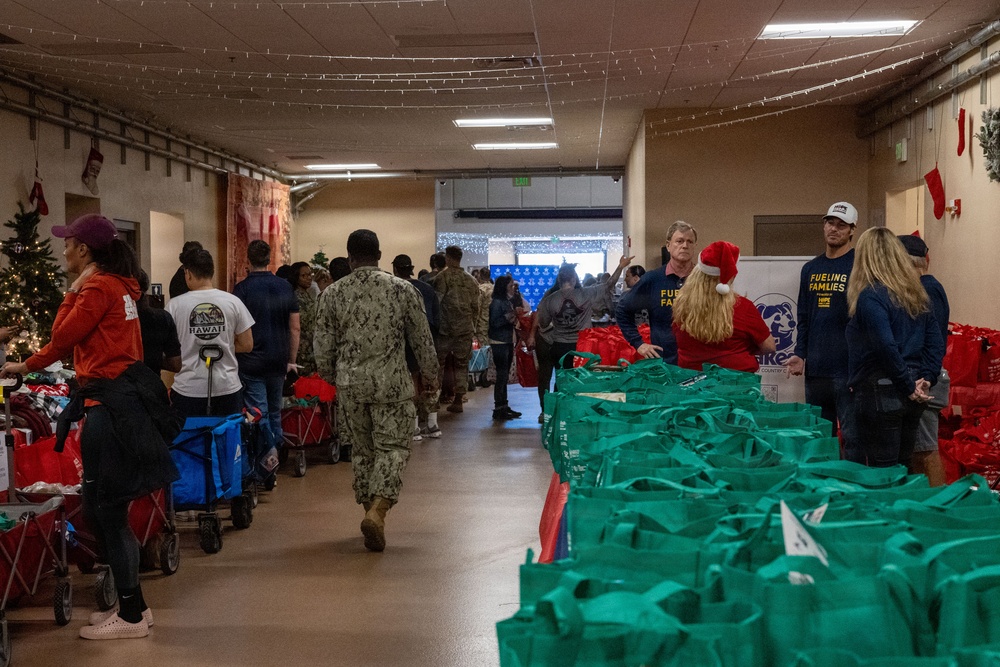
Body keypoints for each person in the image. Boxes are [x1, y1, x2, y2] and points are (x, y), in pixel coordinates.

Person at [1, 214, 178, 640]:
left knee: (106, 511)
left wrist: (26, 363)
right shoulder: (121, 286)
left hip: (110, 409)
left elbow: (62, 335)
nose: (63, 249)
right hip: (118, 404)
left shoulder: (98, 287)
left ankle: (131, 617)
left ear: (84, 249)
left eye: (68, 243)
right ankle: (135, 607)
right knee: (103, 509)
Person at [314, 230, 439, 552]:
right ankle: (378, 511)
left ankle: (370, 512)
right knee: (393, 448)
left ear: (350, 258)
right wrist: (431, 377)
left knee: (362, 451)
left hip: (350, 386)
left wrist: (333, 376)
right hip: (391, 384)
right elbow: (422, 340)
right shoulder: (403, 289)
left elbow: (322, 346)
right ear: (380, 255)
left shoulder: (332, 293)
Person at [845, 227, 945, 469]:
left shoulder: (871, 296)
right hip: (914, 389)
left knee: (883, 472)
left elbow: (885, 345)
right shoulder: (916, 293)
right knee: (903, 467)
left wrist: (907, 385)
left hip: (883, 389)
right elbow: (935, 341)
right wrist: (926, 378)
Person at [784, 202, 857, 443]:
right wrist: (800, 354)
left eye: (841, 225)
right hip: (816, 369)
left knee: (853, 438)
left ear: (852, 230)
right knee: (820, 437)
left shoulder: (859, 265)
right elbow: (803, 316)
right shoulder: (810, 268)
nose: (834, 229)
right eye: (830, 223)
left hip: (848, 369)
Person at [530, 256, 632, 414]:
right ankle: (574, 411)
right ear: (574, 278)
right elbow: (608, 284)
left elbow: (543, 322)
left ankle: (553, 411)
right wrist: (620, 266)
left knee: (560, 378)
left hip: (559, 346)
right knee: (579, 380)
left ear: (559, 279)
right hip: (582, 347)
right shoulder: (586, 294)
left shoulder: (550, 299)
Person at [166, 248, 254, 418]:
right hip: (227, 386)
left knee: (189, 435)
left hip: (188, 389)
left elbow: (168, 349)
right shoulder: (233, 302)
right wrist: (224, 344)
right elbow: (247, 344)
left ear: (188, 274)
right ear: (212, 272)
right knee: (226, 434)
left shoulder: (174, 306)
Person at [233, 240, 300, 454]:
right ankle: (276, 452)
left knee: (257, 412)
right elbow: (295, 327)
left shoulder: (241, 289)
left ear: (248, 260)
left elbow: (235, 328)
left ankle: (265, 457)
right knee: (275, 410)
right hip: (278, 359)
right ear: (269, 259)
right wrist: (291, 360)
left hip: (251, 361)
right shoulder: (285, 286)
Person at [671, 241, 775, 372]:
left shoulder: (681, 304)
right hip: (735, 381)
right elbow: (769, 346)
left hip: (692, 381)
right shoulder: (742, 307)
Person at [898, 233, 950, 484]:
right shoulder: (923, 288)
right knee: (918, 451)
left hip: (925, 379)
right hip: (922, 377)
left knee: (924, 451)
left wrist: (924, 378)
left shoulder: (927, 289)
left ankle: (938, 502)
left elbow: (932, 341)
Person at [616, 221, 698, 364]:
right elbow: (623, 309)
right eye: (679, 241)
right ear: (668, 246)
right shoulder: (653, 280)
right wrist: (638, 343)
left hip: (699, 362)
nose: (685, 245)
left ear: (694, 246)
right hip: (665, 363)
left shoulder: (704, 280)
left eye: (689, 241)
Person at [427, 246, 481, 415]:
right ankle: (458, 400)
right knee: (461, 365)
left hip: (445, 329)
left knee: (439, 364)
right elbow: (476, 307)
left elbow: (437, 302)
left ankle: (435, 400)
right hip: (464, 329)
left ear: (448, 258)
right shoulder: (471, 280)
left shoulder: (442, 277)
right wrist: (473, 326)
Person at [391, 254, 441, 440]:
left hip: (404, 341)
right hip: (428, 338)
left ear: (395, 269)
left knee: (411, 380)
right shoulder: (427, 288)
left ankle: (414, 427)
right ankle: (433, 424)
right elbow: (437, 318)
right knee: (430, 379)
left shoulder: (393, 288)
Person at [136, 269, 181, 376]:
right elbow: (175, 364)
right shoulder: (163, 318)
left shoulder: (114, 320)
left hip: (118, 383)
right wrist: (154, 359)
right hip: (152, 382)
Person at [489, 275, 521, 421]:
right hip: (499, 342)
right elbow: (495, 322)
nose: (513, 288)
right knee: (501, 375)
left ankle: (503, 405)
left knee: (504, 375)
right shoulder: (497, 303)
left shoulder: (506, 301)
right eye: (511, 286)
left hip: (506, 340)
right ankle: (498, 407)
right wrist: (511, 316)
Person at [288, 261, 318, 376]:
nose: (308, 278)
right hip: (301, 348)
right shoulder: (295, 296)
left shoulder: (306, 294)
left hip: (310, 346)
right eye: (304, 275)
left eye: (310, 275)